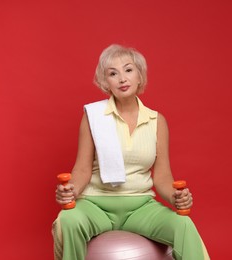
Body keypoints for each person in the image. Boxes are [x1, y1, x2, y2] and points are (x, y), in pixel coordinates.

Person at [52, 44, 209, 260]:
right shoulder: (93, 116)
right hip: (96, 205)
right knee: (68, 220)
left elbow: (162, 176)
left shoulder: (156, 121)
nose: (122, 79)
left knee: (183, 224)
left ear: (139, 76)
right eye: (113, 74)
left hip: (140, 207)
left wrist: (175, 197)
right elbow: (81, 169)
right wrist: (71, 190)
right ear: (105, 82)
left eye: (128, 70)